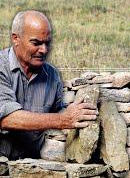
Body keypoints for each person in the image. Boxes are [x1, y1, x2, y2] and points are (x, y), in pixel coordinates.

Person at [0, 10, 98, 160]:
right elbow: (7, 119)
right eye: (36, 43)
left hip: (31, 166)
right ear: (16, 39)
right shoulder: (2, 67)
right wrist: (64, 120)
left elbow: (57, 113)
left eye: (47, 43)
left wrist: (77, 116)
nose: (44, 50)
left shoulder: (52, 76)